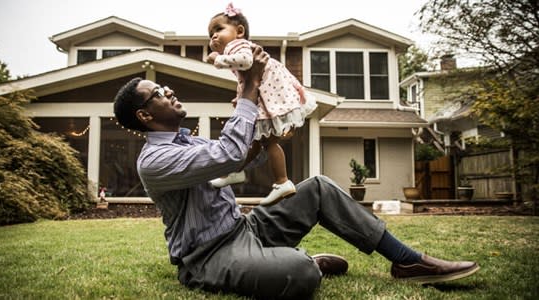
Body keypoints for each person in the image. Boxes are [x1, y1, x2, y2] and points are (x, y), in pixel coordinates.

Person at [113, 46, 480, 300]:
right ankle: (308, 262)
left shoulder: (188, 144)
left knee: (317, 187)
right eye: (159, 91)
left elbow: (237, 164)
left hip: (245, 229)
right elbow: (227, 155)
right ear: (145, 115)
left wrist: (266, 127)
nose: (169, 90)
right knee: (299, 274)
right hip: (209, 256)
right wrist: (251, 87)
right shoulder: (154, 161)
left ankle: (407, 260)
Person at [205, 2, 317, 206]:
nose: (213, 36)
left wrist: (218, 59)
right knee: (255, 144)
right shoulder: (234, 46)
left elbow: (246, 62)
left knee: (269, 143)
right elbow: (248, 79)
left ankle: (282, 182)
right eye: (210, 33)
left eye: (218, 29)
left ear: (239, 31)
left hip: (271, 96)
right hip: (267, 92)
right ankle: (235, 172)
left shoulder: (237, 46)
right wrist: (240, 98)